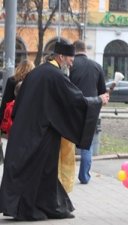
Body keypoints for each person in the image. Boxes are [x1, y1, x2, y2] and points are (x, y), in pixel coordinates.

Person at [0, 41, 109, 221]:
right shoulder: (56, 75)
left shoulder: (37, 72)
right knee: (38, 171)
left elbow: (20, 104)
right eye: (70, 59)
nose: (72, 63)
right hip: (40, 134)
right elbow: (76, 100)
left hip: (26, 130)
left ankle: (52, 206)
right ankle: (30, 209)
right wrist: (97, 100)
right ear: (60, 57)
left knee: (44, 171)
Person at [70, 40, 107, 184]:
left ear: (74, 50)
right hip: (91, 110)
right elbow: (103, 93)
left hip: (73, 109)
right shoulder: (97, 66)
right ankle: (84, 176)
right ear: (85, 49)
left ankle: (65, 176)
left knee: (68, 142)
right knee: (87, 144)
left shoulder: (71, 65)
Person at [0, 59, 35, 131]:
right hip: (27, 117)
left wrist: (1, 120)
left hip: (13, 116)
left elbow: (6, 101)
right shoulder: (32, 82)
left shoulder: (11, 80)